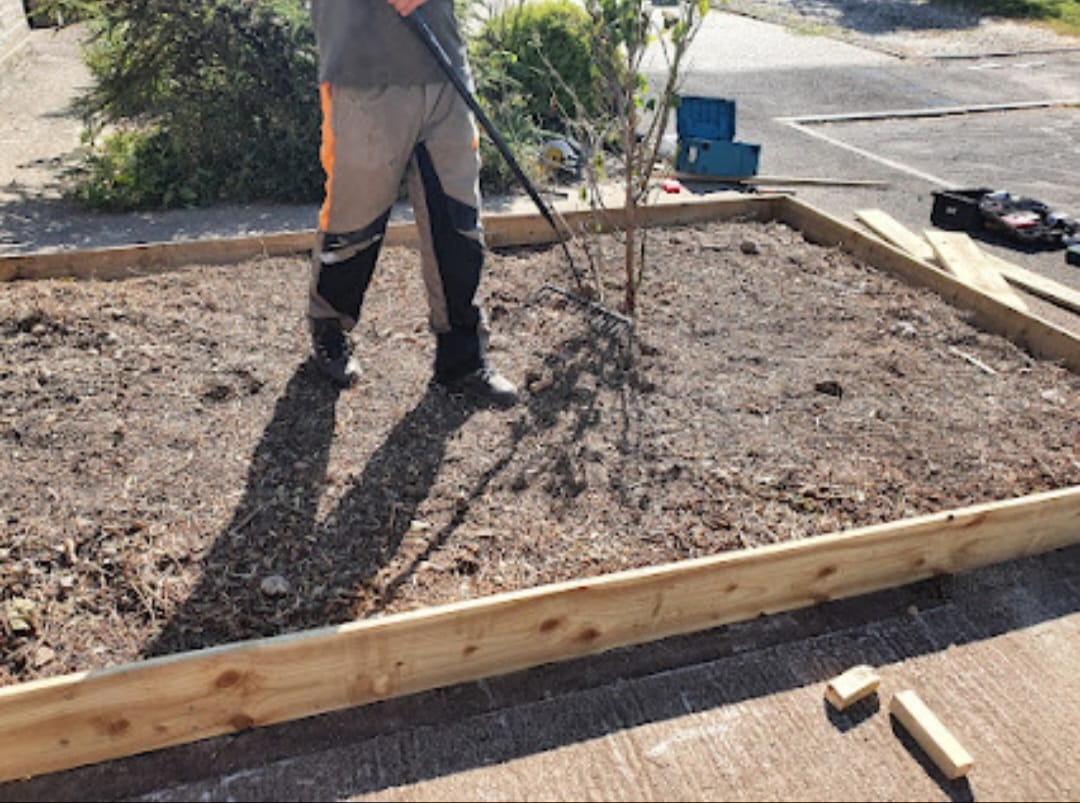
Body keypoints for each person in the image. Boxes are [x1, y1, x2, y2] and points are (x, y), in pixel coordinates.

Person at [307, 0, 518, 407]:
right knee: (355, 217)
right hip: (362, 71)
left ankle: (462, 359)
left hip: (444, 69)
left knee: (457, 218)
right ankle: (329, 327)